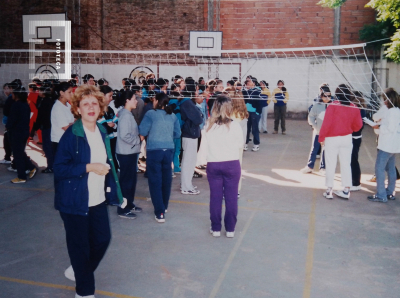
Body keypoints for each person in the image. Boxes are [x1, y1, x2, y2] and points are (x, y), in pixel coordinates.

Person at [54, 84, 122, 298]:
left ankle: (78, 270)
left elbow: (109, 162)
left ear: (100, 107)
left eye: (94, 103)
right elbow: (59, 168)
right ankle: (84, 292)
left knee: (102, 240)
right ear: (78, 109)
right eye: (86, 104)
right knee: (80, 248)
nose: (91, 107)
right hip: (75, 201)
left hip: (97, 199)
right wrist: (89, 167)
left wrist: (116, 192)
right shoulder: (72, 135)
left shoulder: (101, 130)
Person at [202, 95, 243, 238]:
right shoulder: (235, 125)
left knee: (215, 197)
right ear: (228, 108)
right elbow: (240, 145)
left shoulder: (208, 125)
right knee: (231, 197)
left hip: (213, 164)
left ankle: (216, 228)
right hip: (231, 164)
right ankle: (230, 229)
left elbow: (204, 146)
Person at [139, 93, 181, 222]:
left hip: (154, 150)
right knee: (166, 179)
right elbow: (177, 133)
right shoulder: (172, 116)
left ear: (156, 101)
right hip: (168, 149)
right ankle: (164, 205)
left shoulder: (151, 114)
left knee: (155, 180)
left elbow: (142, 131)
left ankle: (160, 212)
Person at [319, 85, 363, 200]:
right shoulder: (354, 107)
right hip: (347, 138)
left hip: (332, 138)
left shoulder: (332, 106)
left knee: (330, 164)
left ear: (337, 94)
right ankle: (346, 190)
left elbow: (326, 124)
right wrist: (350, 128)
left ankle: (329, 190)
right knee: (346, 164)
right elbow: (358, 125)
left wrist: (321, 138)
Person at [368, 88, 400, 203]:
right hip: (394, 145)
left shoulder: (391, 112)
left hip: (386, 145)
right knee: (391, 169)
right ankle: (390, 192)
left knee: (379, 169)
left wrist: (378, 127)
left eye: (385, 100)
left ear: (389, 100)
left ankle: (381, 194)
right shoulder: (397, 110)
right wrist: (381, 124)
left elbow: (389, 128)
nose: (384, 102)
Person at [114, 90, 142, 218]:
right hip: (126, 152)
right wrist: (138, 140)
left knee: (131, 180)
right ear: (127, 101)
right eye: (134, 99)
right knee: (126, 181)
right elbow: (125, 135)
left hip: (130, 151)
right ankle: (123, 208)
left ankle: (129, 203)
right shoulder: (125, 116)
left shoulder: (127, 114)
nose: (136, 101)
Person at [6, 85, 37, 183]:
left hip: (16, 133)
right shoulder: (25, 104)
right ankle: (31, 167)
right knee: (20, 152)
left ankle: (22, 176)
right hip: (24, 131)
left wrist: (8, 127)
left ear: (15, 94)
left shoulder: (16, 105)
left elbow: (11, 120)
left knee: (17, 155)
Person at [300, 86, 331, 174]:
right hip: (318, 131)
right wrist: (315, 126)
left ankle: (323, 168)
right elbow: (311, 117)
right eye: (325, 96)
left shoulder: (332, 106)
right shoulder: (317, 106)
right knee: (314, 148)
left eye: (329, 96)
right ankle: (310, 166)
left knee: (326, 149)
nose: (327, 98)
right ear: (321, 96)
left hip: (328, 132)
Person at [225, 87, 248, 196]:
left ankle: (227, 190)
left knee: (227, 169)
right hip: (239, 146)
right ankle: (236, 191)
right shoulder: (243, 114)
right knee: (238, 168)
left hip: (229, 145)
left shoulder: (230, 115)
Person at [180, 87, 203, 195]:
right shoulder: (188, 103)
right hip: (189, 135)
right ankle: (186, 187)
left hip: (189, 134)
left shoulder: (187, 102)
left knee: (189, 161)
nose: (198, 93)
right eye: (197, 90)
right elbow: (198, 119)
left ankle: (187, 183)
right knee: (188, 161)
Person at [33, 87, 55, 173]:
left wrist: (35, 128)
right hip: (51, 127)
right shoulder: (51, 101)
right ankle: (52, 165)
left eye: (40, 91)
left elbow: (40, 116)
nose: (38, 92)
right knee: (51, 147)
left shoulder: (44, 102)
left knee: (47, 147)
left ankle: (50, 166)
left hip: (46, 127)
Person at [98, 85, 119, 171]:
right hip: (103, 140)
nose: (111, 98)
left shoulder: (110, 109)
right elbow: (104, 128)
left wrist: (112, 125)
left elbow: (116, 123)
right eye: (109, 96)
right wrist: (110, 126)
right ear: (102, 95)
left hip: (112, 138)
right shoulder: (98, 109)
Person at [51, 81, 74, 156]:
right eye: (69, 92)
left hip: (67, 140)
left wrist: (72, 124)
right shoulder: (58, 108)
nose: (72, 94)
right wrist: (72, 124)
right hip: (59, 141)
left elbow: (75, 120)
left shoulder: (67, 105)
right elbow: (66, 128)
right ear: (62, 93)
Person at [242, 78, 265, 152]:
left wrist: (257, 112)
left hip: (254, 112)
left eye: (249, 83)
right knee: (246, 128)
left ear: (253, 83)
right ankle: (245, 143)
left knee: (255, 129)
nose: (247, 85)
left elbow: (258, 102)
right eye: (246, 84)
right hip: (246, 112)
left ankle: (256, 144)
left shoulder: (257, 91)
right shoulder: (245, 91)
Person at [350, 91, 366, 191]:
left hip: (354, 138)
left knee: (353, 160)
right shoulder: (361, 109)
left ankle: (356, 183)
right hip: (356, 137)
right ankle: (353, 180)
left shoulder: (358, 109)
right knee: (352, 160)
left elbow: (359, 126)